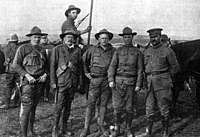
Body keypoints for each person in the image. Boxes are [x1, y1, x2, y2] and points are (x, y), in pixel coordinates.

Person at [142, 28, 179, 137]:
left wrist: (165, 77)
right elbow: (144, 67)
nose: (153, 39)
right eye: (151, 37)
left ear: (160, 37)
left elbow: (175, 67)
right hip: (149, 83)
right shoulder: (147, 51)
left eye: (156, 36)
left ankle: (165, 131)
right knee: (149, 108)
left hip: (162, 83)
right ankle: (149, 131)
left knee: (164, 108)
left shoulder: (167, 51)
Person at [108, 27, 143, 137]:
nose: (127, 39)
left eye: (129, 37)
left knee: (129, 108)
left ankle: (128, 129)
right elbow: (112, 65)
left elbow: (140, 69)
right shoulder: (118, 51)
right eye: (125, 37)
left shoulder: (137, 52)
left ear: (132, 37)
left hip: (131, 83)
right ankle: (117, 129)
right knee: (117, 108)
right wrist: (111, 79)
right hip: (118, 83)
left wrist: (138, 84)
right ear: (123, 38)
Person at [13, 26, 48, 137]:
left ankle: (31, 131)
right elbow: (16, 65)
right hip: (28, 83)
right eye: (35, 37)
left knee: (33, 107)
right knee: (27, 108)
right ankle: (23, 134)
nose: (37, 39)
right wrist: (27, 75)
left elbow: (46, 65)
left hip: (39, 83)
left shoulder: (42, 50)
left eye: (39, 37)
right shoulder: (23, 48)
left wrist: (45, 74)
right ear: (31, 37)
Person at [80, 29, 115, 137]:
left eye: (106, 38)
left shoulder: (113, 50)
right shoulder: (92, 49)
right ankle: (86, 128)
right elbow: (83, 60)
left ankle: (101, 126)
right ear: (98, 39)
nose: (104, 40)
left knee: (103, 105)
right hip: (94, 80)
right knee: (91, 104)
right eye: (102, 38)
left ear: (108, 39)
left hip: (106, 80)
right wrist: (86, 72)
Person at [50, 28, 82, 137]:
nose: (70, 39)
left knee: (68, 107)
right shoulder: (57, 49)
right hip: (61, 83)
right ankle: (55, 130)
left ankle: (64, 128)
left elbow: (79, 68)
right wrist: (53, 82)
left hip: (72, 82)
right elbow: (52, 67)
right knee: (59, 107)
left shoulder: (77, 50)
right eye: (68, 37)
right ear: (63, 38)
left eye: (72, 37)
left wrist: (79, 82)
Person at [3, 34, 20, 109]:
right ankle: (15, 102)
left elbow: (6, 59)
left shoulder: (6, 48)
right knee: (19, 86)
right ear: (17, 41)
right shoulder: (19, 48)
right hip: (17, 70)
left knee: (8, 87)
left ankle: (7, 104)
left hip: (9, 69)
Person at [40, 34, 54, 102]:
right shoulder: (38, 47)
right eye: (43, 38)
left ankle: (46, 95)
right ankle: (41, 94)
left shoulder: (51, 47)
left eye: (45, 38)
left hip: (49, 65)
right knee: (41, 81)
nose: (44, 40)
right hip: (41, 66)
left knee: (47, 82)